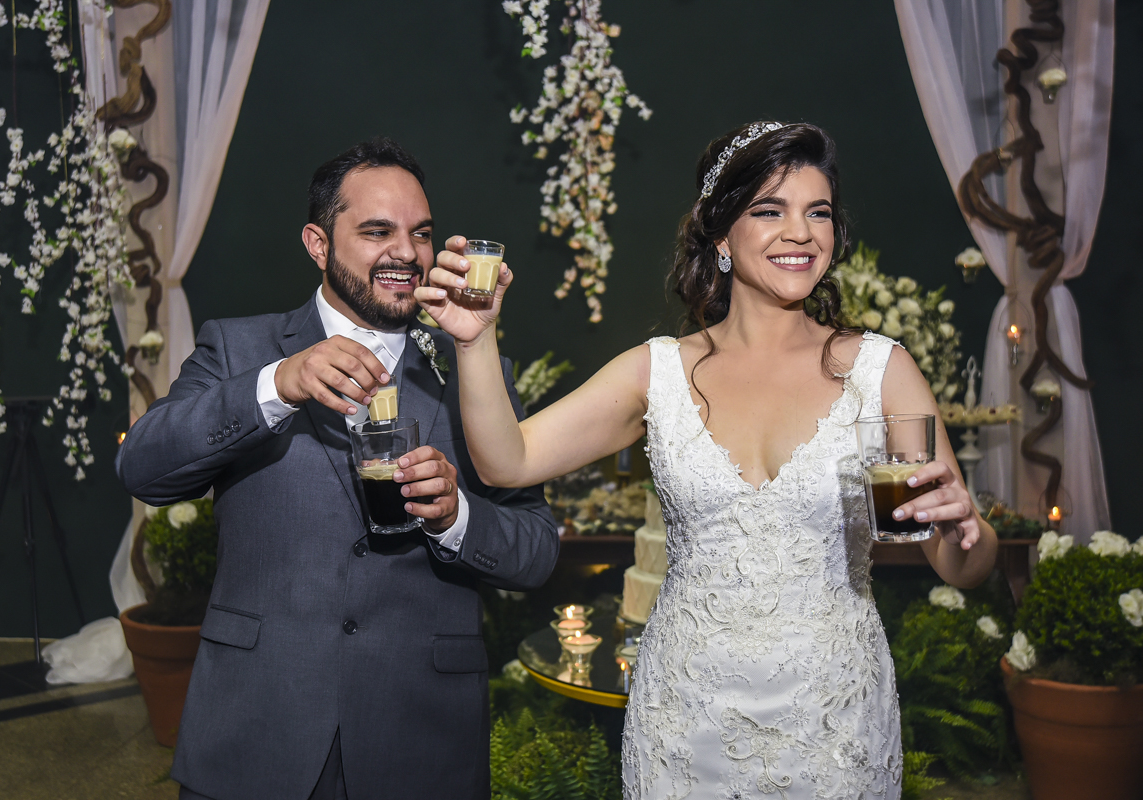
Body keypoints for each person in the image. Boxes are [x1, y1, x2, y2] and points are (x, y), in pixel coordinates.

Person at [417, 122, 998, 799]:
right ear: (720, 233)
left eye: (818, 213)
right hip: (685, 720)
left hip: (834, 723)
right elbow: (506, 461)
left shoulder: (880, 371)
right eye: (770, 210)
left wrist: (967, 533)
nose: (801, 233)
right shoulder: (657, 372)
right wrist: (475, 341)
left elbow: (963, 566)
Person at [116, 137, 559, 800]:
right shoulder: (240, 348)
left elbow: (537, 551)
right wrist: (276, 385)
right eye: (377, 231)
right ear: (318, 245)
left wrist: (457, 518)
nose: (406, 252)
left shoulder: (473, 366)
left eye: (420, 233)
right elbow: (143, 467)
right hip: (258, 727)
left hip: (421, 741)